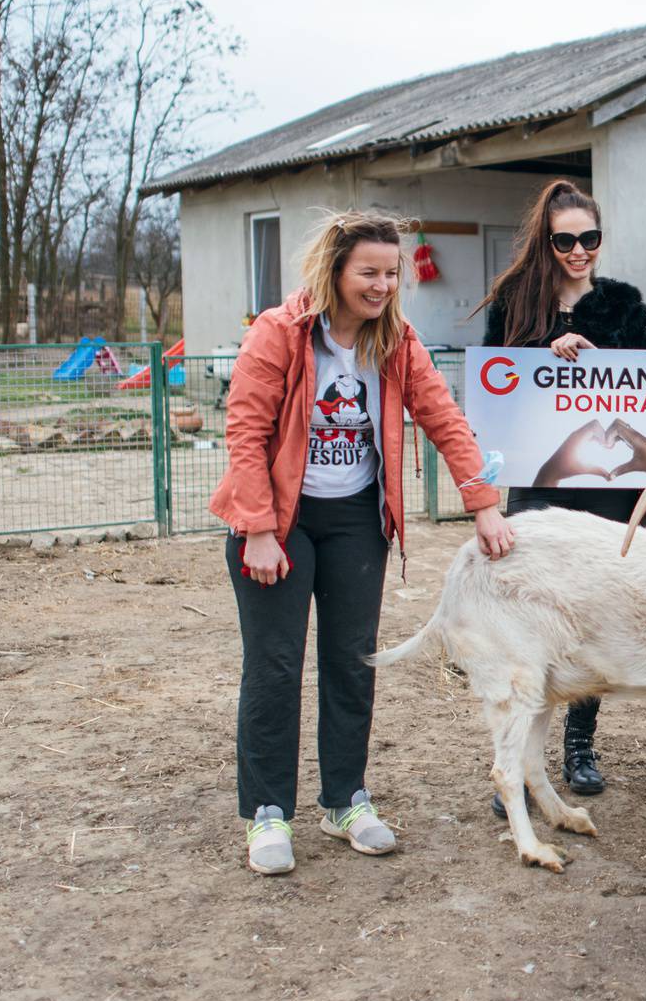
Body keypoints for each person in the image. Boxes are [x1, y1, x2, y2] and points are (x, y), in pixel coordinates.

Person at [213, 211, 514, 877]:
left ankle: (345, 798)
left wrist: (484, 504)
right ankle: (267, 811)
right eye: (368, 272)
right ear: (335, 271)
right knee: (275, 666)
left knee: (352, 662)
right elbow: (245, 432)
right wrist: (259, 527)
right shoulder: (279, 333)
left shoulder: (397, 340)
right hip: (279, 520)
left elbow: (444, 417)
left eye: (391, 272)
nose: (381, 285)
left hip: (355, 517)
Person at [480, 178, 646, 806]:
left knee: (590, 615)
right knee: (529, 621)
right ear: (545, 241)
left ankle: (579, 745)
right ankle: (517, 762)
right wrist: (541, 352)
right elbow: (494, 378)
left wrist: (597, 356)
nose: (578, 251)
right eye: (565, 241)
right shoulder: (514, 300)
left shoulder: (625, 303)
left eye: (590, 239)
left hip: (606, 480)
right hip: (537, 478)